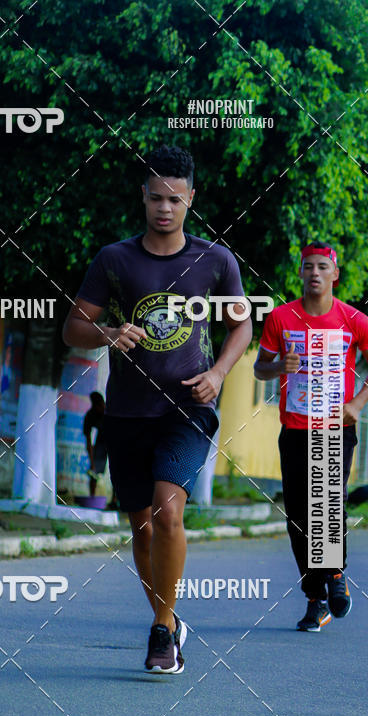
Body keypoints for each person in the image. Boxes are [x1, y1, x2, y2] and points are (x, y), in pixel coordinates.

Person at [63, 145, 252, 673]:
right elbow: (72, 329)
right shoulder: (114, 259)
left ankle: (160, 630)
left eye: (174, 198)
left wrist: (217, 375)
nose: (163, 208)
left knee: (169, 512)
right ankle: (169, 620)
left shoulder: (215, 261)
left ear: (191, 199)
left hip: (187, 409)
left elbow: (242, 325)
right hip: (127, 412)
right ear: (142, 198)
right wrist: (107, 331)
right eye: (154, 198)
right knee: (142, 528)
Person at [254, 241, 368, 632]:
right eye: (308, 266)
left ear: (335, 274)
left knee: (326, 504)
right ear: (300, 273)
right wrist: (280, 364)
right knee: (298, 515)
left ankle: (334, 576)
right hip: (294, 428)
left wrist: (358, 404)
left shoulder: (354, 320)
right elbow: (261, 370)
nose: (315, 273)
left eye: (322, 267)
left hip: (335, 426)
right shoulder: (281, 318)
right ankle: (316, 599)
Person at [83, 391, 108, 497]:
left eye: (102, 405)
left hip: (115, 439)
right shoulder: (90, 415)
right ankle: (92, 497)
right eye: (97, 406)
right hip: (101, 442)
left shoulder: (112, 413)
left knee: (118, 472)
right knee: (94, 472)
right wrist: (92, 463)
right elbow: (88, 441)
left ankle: (115, 501)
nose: (101, 407)